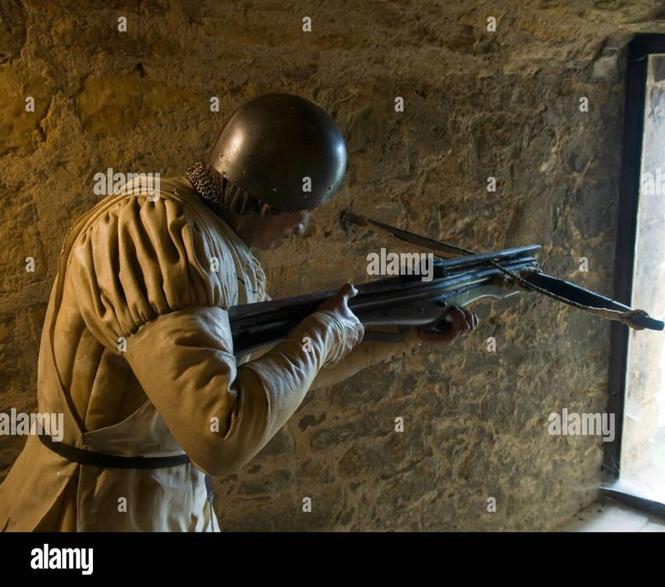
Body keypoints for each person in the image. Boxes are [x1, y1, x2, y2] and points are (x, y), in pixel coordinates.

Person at [0, 94, 478, 531]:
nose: (305, 225)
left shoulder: (216, 238)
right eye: (302, 208)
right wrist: (322, 333)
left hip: (163, 500)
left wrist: (402, 333)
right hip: (89, 509)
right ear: (268, 200)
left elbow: (269, 382)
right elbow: (220, 433)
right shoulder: (156, 231)